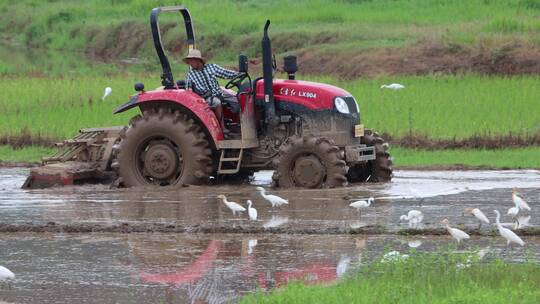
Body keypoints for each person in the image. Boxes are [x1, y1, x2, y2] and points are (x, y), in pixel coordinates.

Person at [183, 49, 241, 135]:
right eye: (189, 61)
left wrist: (239, 74)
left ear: (198, 60)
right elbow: (188, 89)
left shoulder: (212, 67)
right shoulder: (191, 74)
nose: (190, 63)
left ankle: (239, 126)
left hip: (218, 92)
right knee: (217, 103)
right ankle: (223, 128)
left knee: (239, 100)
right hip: (207, 97)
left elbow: (225, 73)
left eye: (191, 61)